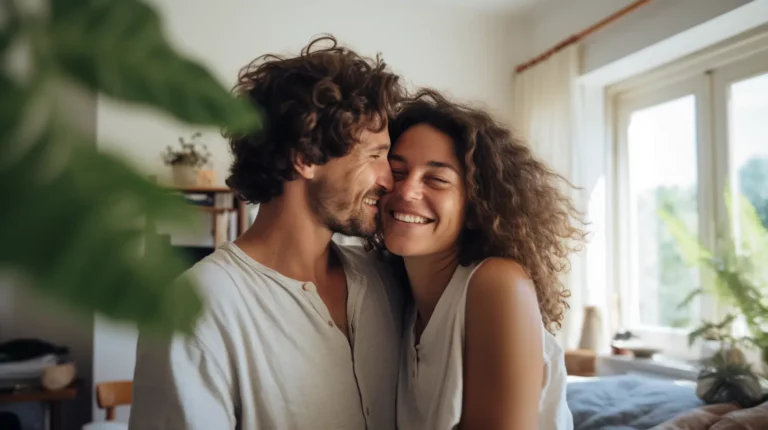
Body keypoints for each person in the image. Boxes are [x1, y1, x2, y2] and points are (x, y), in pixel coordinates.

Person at [128, 36, 407, 430]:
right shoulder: (194, 312)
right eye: (375, 155)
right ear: (306, 158)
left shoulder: (386, 277)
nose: (389, 179)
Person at [371, 89, 586, 430]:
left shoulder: (498, 283)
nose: (407, 191)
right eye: (397, 172)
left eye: (436, 179)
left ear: (475, 208)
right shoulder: (396, 296)